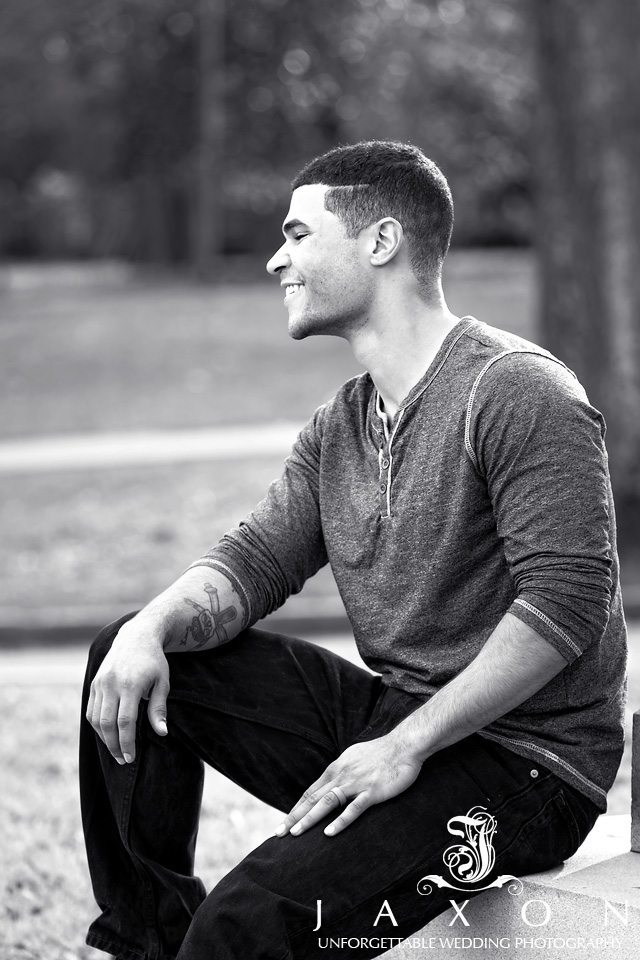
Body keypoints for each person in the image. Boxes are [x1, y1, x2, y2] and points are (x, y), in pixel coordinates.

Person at [80, 141, 627, 960]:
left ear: (379, 243)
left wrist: (402, 749)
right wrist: (150, 626)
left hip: (528, 769)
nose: (276, 259)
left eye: (298, 235)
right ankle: (148, 942)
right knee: (129, 658)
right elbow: (255, 560)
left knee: (246, 927)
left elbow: (566, 604)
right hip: (397, 716)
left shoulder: (518, 392)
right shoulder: (342, 425)